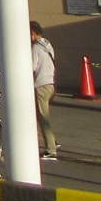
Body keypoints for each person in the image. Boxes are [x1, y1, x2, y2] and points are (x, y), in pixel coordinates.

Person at [30, 20, 59, 159]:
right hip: (51, 84)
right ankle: (52, 140)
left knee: (43, 118)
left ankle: (51, 149)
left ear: (32, 33)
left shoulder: (36, 48)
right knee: (42, 115)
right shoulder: (48, 44)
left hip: (41, 85)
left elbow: (32, 67)